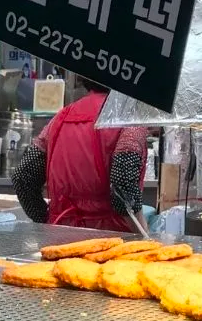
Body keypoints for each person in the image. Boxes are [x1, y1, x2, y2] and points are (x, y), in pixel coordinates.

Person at [10, 78, 148, 232]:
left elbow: (23, 177)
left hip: (59, 238)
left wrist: (44, 220)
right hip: (110, 243)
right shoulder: (128, 121)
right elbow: (123, 183)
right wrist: (143, 232)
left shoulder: (60, 118)